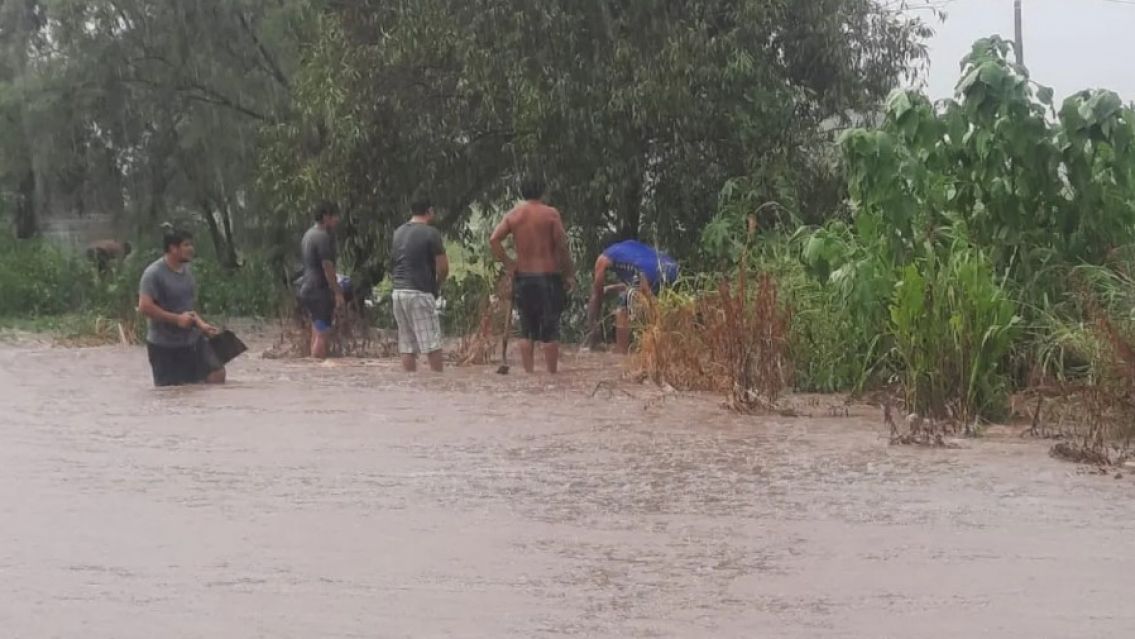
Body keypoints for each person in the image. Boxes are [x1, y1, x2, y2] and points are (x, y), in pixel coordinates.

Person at [490, 176, 575, 374]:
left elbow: (494, 239)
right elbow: (561, 246)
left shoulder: (514, 215)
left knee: (526, 329)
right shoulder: (551, 214)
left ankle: (529, 375)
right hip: (548, 277)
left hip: (524, 277)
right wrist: (569, 273)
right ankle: (551, 376)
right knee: (550, 330)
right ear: (543, 192)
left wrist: (509, 264)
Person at [137, 229, 225, 387]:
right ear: (173, 248)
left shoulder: (187, 272)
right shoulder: (153, 273)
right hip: (164, 346)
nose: (191, 249)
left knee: (216, 374)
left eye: (191, 244)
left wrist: (201, 324)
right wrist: (176, 319)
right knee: (172, 394)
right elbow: (144, 307)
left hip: (191, 341)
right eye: (186, 245)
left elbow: (187, 307)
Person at [587, 237, 679, 354]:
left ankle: (621, 350)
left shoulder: (604, 257)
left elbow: (596, 293)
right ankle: (668, 345)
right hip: (671, 268)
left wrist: (593, 329)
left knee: (622, 309)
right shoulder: (630, 250)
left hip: (648, 272)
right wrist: (610, 288)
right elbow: (633, 284)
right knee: (662, 308)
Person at [391, 198, 449, 372]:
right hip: (419, 292)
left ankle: (410, 388)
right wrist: (435, 286)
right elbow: (444, 268)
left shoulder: (398, 232)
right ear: (429, 211)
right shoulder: (431, 233)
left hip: (398, 292)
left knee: (407, 345)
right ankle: (438, 384)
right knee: (432, 343)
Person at [298, 201, 345, 359]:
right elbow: (327, 267)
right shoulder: (322, 237)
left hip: (306, 288)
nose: (337, 220)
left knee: (316, 330)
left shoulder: (308, 234)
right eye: (335, 216)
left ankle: (314, 374)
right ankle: (320, 368)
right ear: (326, 216)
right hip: (319, 290)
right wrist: (337, 292)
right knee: (323, 333)